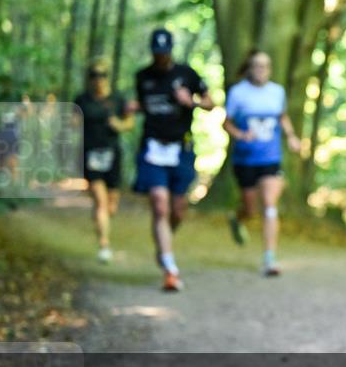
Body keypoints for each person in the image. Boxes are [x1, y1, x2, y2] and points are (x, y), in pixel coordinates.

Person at [132, 28, 214, 291]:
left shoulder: (187, 74)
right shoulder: (142, 77)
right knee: (159, 204)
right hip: (153, 149)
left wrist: (191, 102)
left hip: (181, 149)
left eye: (165, 54)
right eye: (157, 55)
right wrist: (133, 108)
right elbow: (144, 105)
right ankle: (170, 267)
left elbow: (211, 103)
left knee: (177, 210)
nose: (161, 59)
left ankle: (164, 242)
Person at [223, 50, 301, 276]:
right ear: (249, 68)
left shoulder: (277, 92)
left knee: (269, 204)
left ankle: (269, 258)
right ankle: (238, 219)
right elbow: (226, 123)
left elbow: (282, 117)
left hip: (270, 157)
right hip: (245, 158)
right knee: (250, 208)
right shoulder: (238, 93)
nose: (261, 70)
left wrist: (292, 137)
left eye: (265, 66)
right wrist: (239, 134)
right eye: (256, 65)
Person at [74, 58, 134, 263]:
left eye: (102, 75)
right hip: (90, 154)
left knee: (110, 205)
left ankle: (102, 218)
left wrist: (119, 124)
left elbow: (130, 122)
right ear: (89, 78)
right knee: (100, 201)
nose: (98, 79)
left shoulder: (118, 99)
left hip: (113, 155)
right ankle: (104, 244)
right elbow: (71, 122)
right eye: (94, 75)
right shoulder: (82, 100)